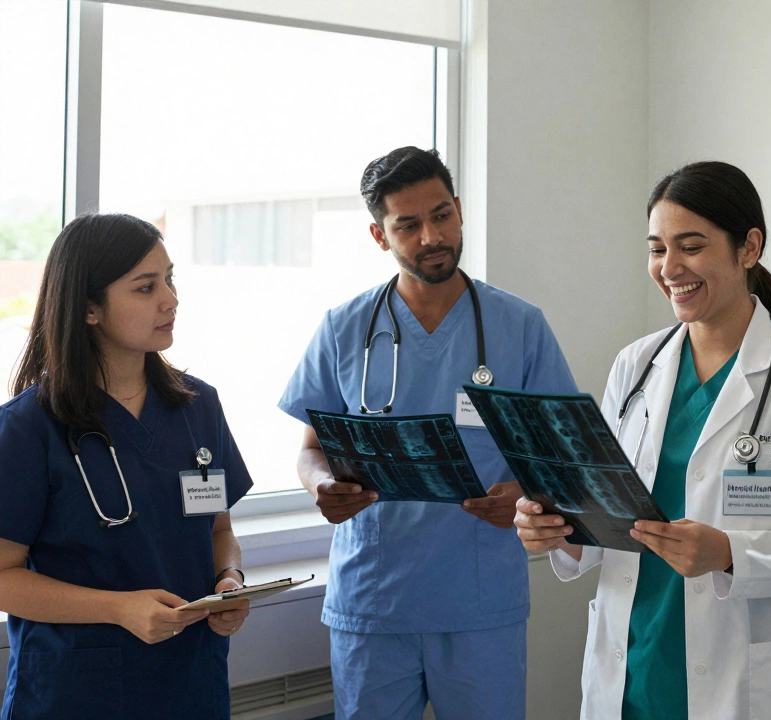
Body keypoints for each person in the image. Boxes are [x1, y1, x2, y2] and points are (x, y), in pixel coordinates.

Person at [514, 161, 771, 720]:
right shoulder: (637, 365)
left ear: (749, 247)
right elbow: (608, 512)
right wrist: (559, 531)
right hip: (636, 664)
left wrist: (729, 553)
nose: (669, 268)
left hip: (744, 678)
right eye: (657, 248)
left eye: (691, 246)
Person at [278, 146, 577, 720]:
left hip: (480, 599)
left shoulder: (519, 326)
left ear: (460, 211)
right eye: (407, 225)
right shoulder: (344, 328)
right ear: (378, 234)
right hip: (374, 601)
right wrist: (321, 486)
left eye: (441, 215)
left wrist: (521, 491)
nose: (430, 236)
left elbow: (559, 450)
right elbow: (312, 449)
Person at [0, 213, 253, 720]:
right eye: (145, 287)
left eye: (170, 278)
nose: (171, 299)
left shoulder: (198, 406)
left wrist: (230, 580)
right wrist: (117, 608)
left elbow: (218, 529)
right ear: (90, 308)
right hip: (77, 692)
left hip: (190, 682)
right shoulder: (29, 427)